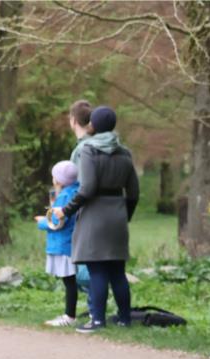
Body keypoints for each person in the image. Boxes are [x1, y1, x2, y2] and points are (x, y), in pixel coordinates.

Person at [54, 106, 139, 332]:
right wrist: (124, 216)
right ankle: (124, 319)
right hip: (117, 214)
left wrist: (66, 210)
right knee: (117, 271)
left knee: (97, 270)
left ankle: (97, 320)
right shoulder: (125, 153)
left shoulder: (89, 150)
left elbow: (87, 188)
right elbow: (134, 192)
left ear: (93, 124)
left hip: (95, 214)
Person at [36, 161, 80, 327]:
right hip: (71, 241)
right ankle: (75, 313)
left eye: (54, 176)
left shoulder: (64, 196)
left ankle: (69, 316)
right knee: (71, 280)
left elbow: (56, 221)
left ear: (59, 180)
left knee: (69, 280)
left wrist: (41, 222)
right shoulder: (75, 191)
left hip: (63, 244)